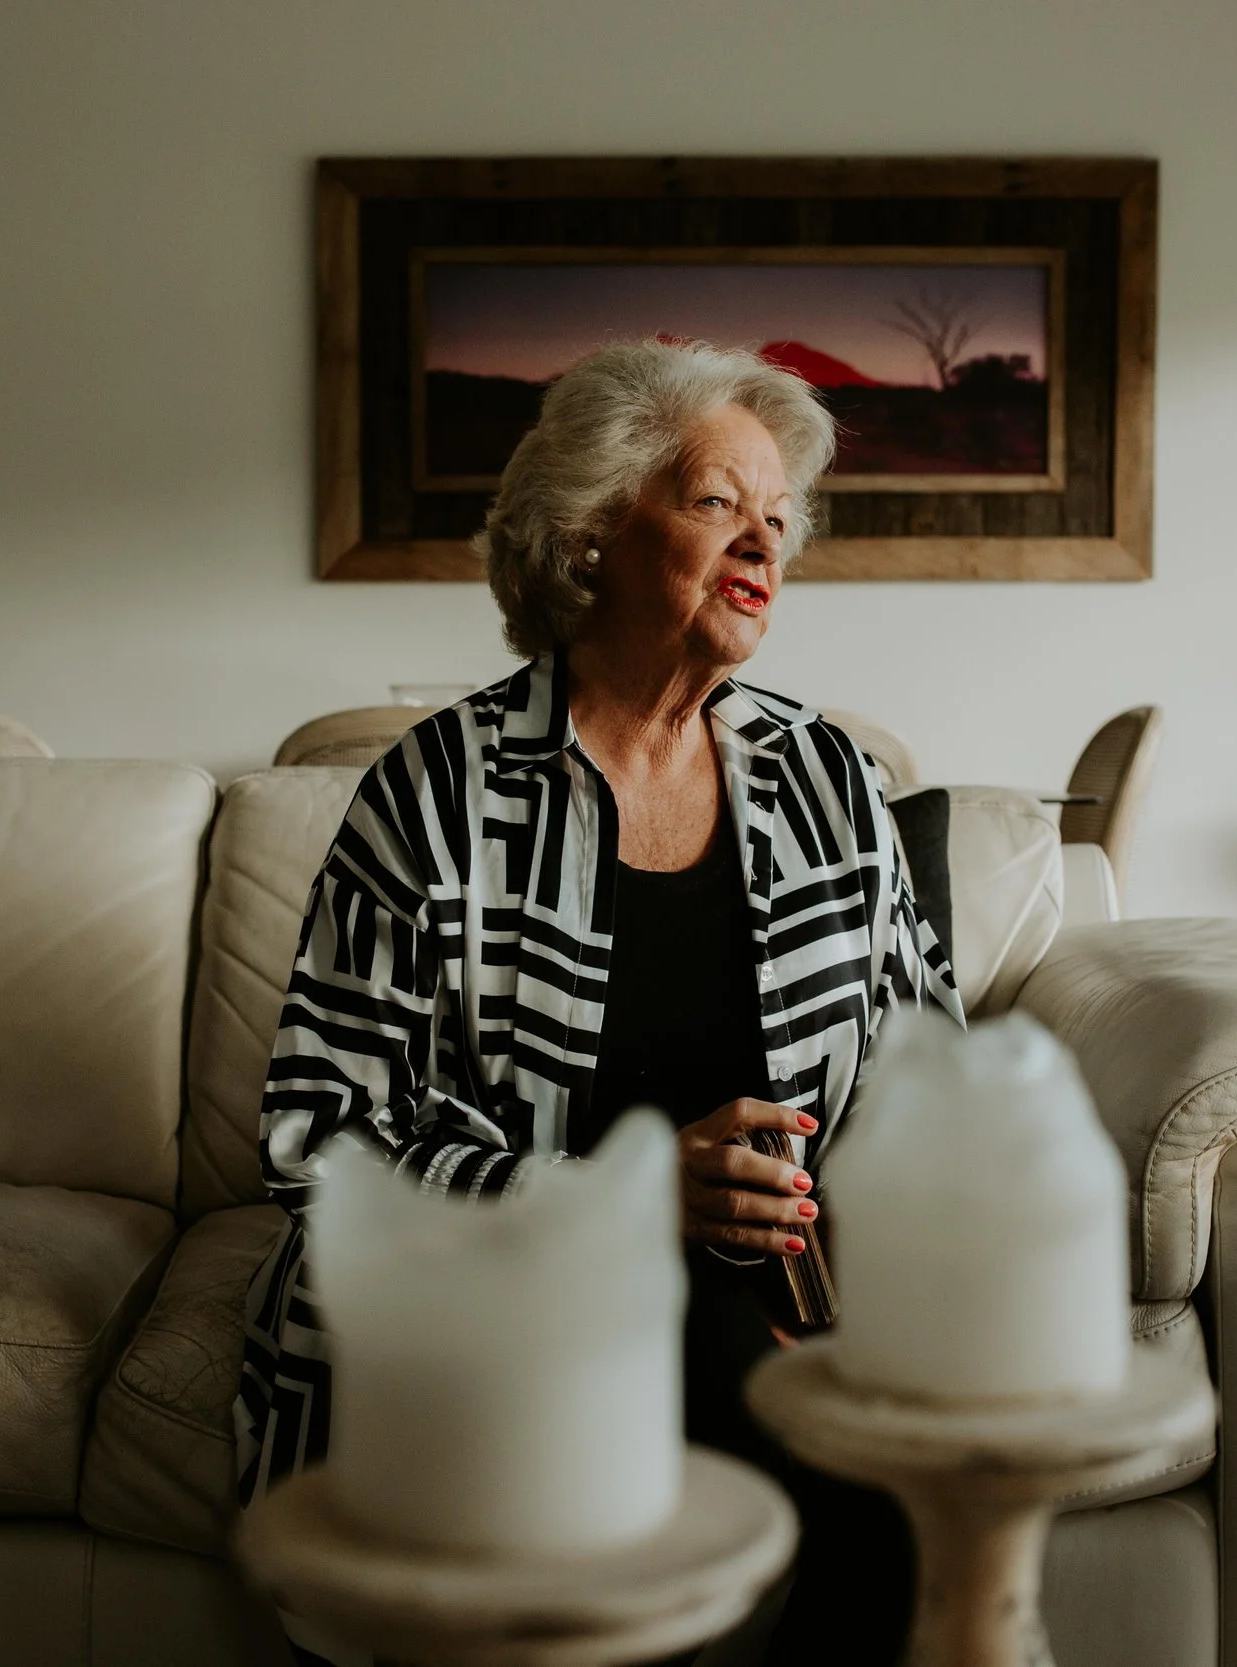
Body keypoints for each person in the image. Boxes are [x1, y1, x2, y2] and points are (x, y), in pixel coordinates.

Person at [237, 337, 962, 1664]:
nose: (765, 540)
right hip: (502, 1295)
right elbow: (317, 1136)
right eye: (715, 502)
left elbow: (926, 1063)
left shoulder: (825, 781)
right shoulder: (435, 792)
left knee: (888, 1500)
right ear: (588, 534)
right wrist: (620, 1192)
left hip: (768, 1294)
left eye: (779, 517)